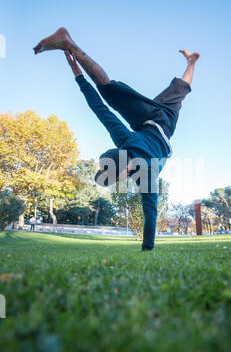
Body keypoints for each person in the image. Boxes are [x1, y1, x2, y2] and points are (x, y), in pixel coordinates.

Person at [33, 28, 199, 251]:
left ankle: (69, 42)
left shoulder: (145, 171)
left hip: (159, 123)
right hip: (153, 120)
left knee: (175, 92)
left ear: (122, 168)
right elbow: (99, 108)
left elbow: (151, 214)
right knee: (112, 90)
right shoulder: (124, 143)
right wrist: (78, 75)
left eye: (114, 178)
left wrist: (147, 249)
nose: (118, 181)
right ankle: (191, 61)